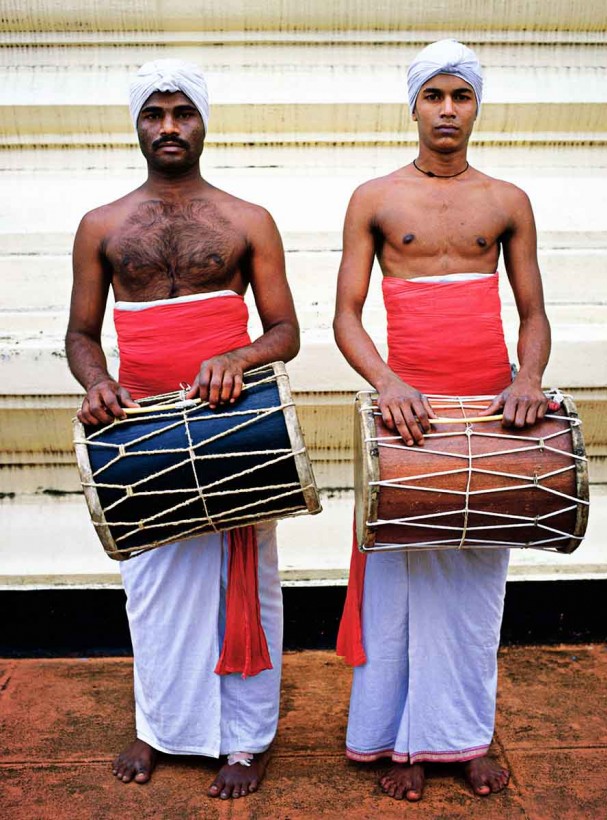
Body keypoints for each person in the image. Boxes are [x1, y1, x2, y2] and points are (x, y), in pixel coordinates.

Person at [65, 59, 300, 800]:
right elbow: (79, 334)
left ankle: (245, 740)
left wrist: (237, 355)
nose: (168, 127)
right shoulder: (100, 225)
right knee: (151, 588)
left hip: (231, 428)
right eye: (154, 113)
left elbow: (286, 330)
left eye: (182, 113)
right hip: (138, 429)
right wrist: (99, 383)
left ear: (203, 121)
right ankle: (160, 726)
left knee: (247, 586)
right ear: (136, 124)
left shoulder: (247, 219)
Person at [333, 39, 551, 801]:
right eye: (434, 95)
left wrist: (527, 379)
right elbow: (346, 317)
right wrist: (387, 381)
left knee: (472, 585)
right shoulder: (374, 197)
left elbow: (531, 313)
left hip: (490, 408)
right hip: (409, 409)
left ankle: (464, 736)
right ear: (414, 104)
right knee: (397, 579)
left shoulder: (506, 200)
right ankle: (399, 742)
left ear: (476, 104)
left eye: (460, 95)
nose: (448, 109)